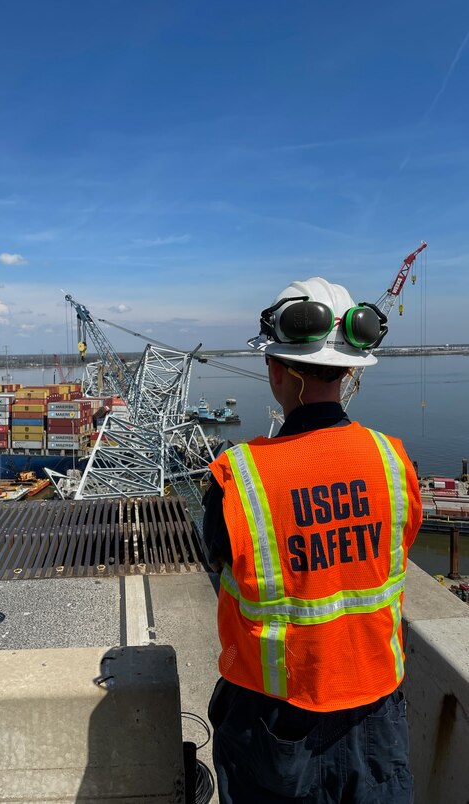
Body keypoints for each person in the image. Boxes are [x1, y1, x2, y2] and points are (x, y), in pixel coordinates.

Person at [204, 277, 422, 803]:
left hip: (272, 716)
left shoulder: (238, 476)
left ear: (275, 369)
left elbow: (220, 562)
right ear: (350, 372)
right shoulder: (395, 461)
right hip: (378, 710)